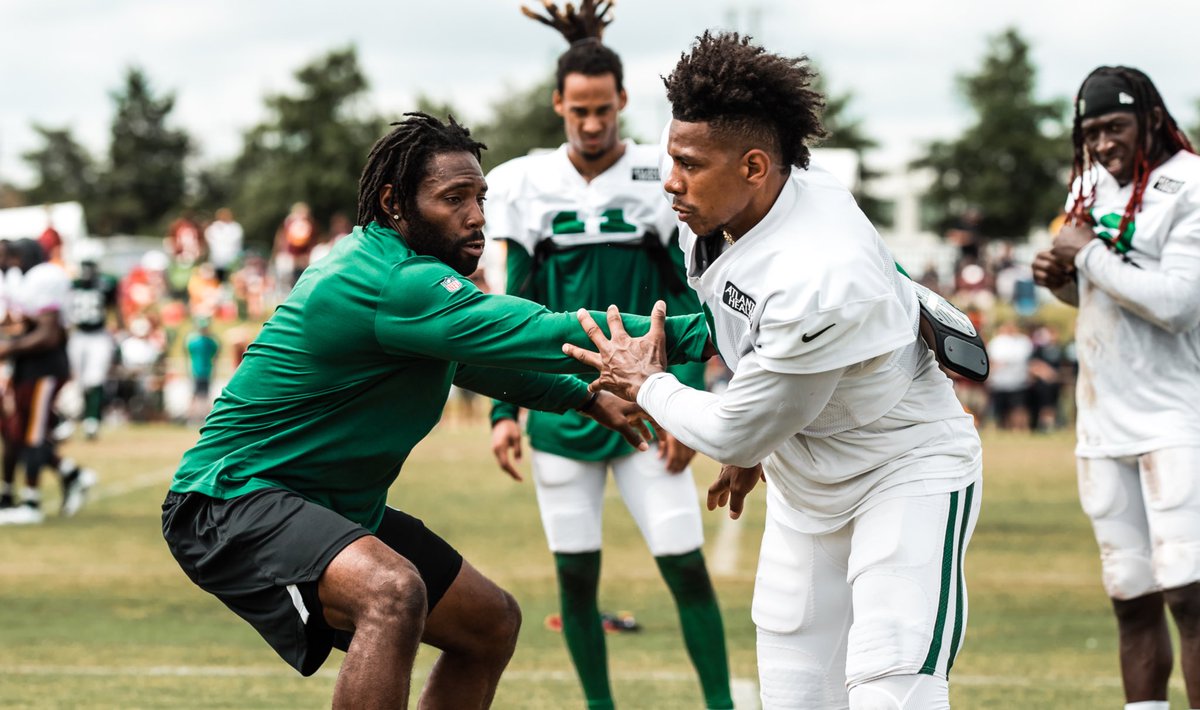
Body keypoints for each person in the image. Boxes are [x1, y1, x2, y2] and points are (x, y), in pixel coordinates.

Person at [161, 112, 711, 709]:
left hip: (322, 503)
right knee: (392, 593)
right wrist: (710, 332)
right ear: (396, 203)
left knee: (489, 624)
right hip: (231, 500)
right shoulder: (393, 279)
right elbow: (538, 330)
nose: (476, 217)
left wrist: (581, 396)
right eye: (453, 198)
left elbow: (478, 363)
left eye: (480, 197)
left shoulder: (405, 277)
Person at [565, 32, 983, 709]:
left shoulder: (823, 271)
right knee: (791, 692)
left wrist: (650, 383)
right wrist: (770, 427)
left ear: (755, 166)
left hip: (903, 468)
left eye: (689, 163)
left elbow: (732, 431)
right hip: (806, 477)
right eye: (671, 156)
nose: (669, 180)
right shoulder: (727, 208)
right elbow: (750, 344)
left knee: (890, 683)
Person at [484, 4, 732, 709]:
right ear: (558, 105)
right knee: (576, 578)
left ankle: (722, 704)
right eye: (579, 111)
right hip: (565, 410)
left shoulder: (663, 176)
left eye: (604, 109)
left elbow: (686, 302)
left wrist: (683, 402)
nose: (592, 124)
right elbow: (513, 315)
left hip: (651, 404)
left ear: (624, 102)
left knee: (684, 566)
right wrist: (505, 411)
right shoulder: (527, 185)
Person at [1032, 66, 1200, 710]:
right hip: (1103, 420)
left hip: (1175, 416)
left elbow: (1179, 303)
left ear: (1151, 120)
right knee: (1130, 596)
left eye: (1115, 127)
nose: (1102, 145)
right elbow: (1095, 291)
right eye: (1091, 131)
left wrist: (1087, 254)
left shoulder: (1188, 184)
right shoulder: (1090, 185)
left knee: (1188, 593)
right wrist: (1061, 279)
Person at [0, 239, 96, 524]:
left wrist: (8, 347)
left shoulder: (44, 277)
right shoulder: (21, 281)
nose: (11, 263)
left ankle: (31, 502)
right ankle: (70, 473)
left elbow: (48, 335)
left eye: (14, 257)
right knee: (18, 433)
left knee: (32, 435)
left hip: (45, 368)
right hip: (27, 368)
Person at [66, 258, 119, 440]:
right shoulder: (71, 285)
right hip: (78, 334)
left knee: (95, 378)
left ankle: (92, 421)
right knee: (77, 380)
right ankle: (74, 418)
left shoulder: (106, 283)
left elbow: (115, 304)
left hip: (99, 335)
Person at [183, 316, 219, 425]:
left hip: (207, 371)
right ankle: (191, 418)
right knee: (195, 395)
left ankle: (205, 418)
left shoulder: (210, 342)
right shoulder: (194, 341)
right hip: (196, 371)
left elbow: (215, 357)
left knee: (205, 395)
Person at [204, 207, 244, 282]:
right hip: (218, 258)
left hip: (233, 258)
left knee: (233, 278)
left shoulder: (235, 227)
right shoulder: (213, 228)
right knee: (218, 279)